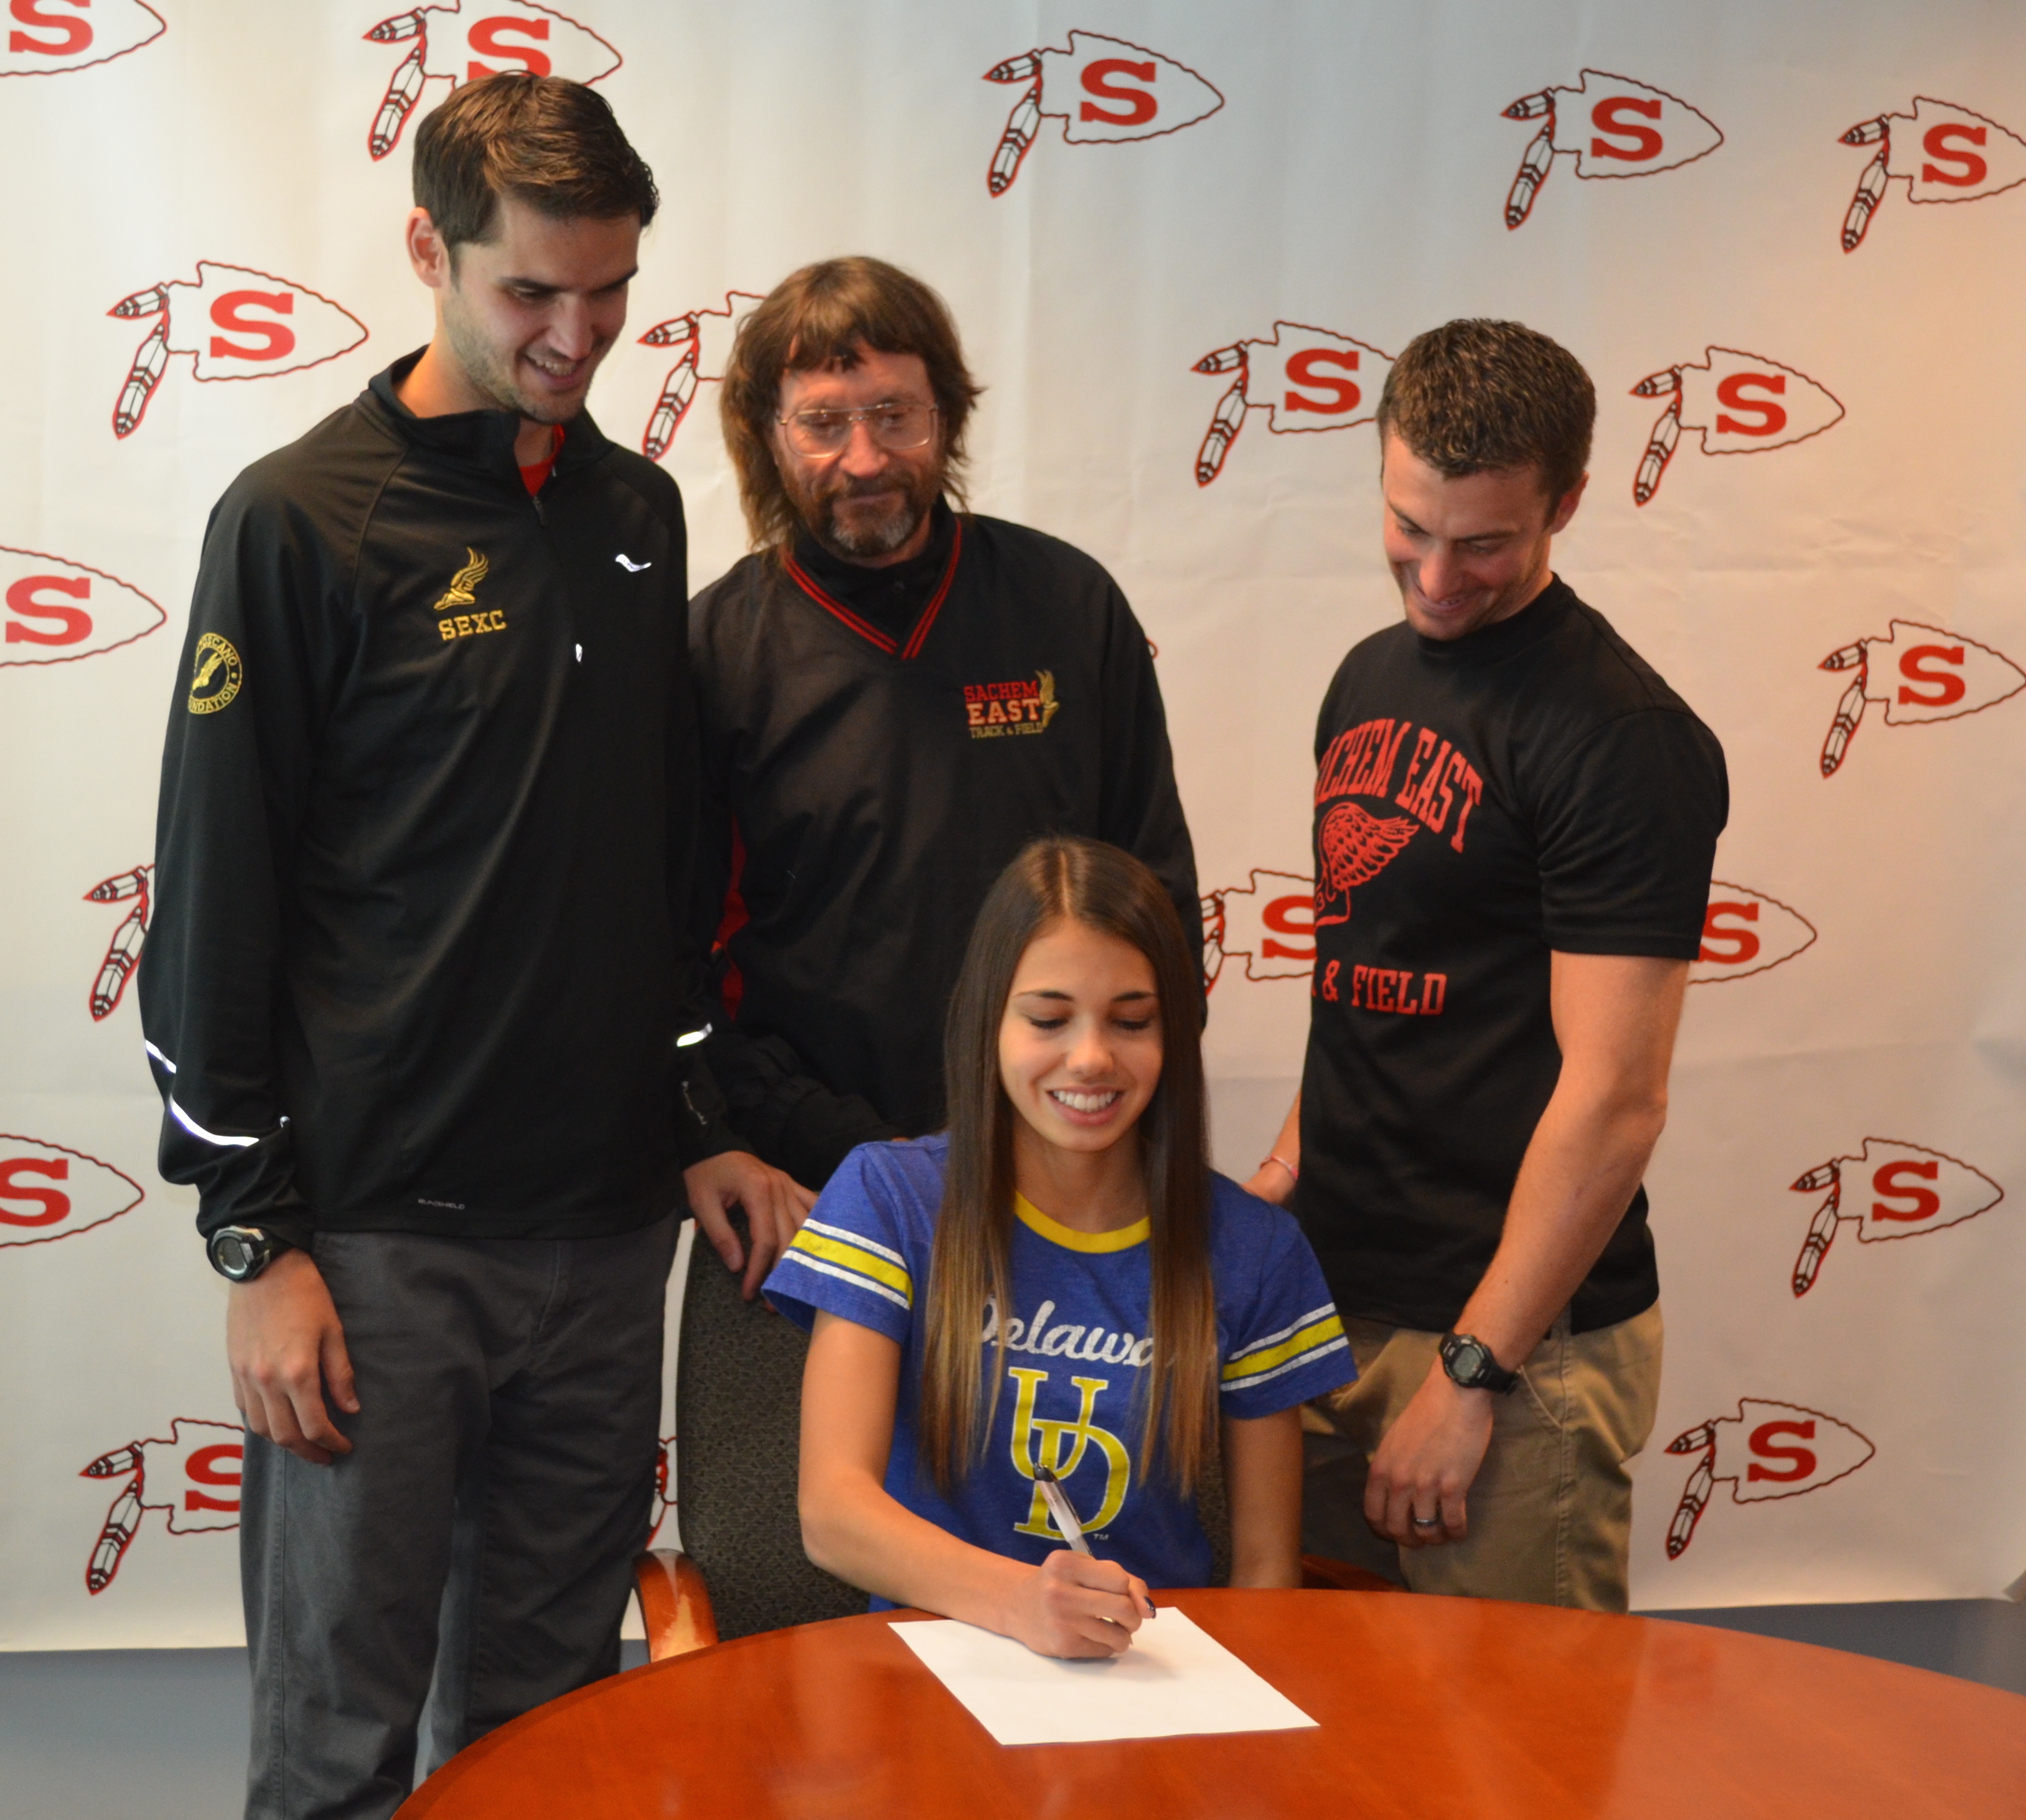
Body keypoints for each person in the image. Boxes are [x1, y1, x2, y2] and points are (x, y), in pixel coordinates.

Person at [138, 75, 807, 1820]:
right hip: (377, 1254)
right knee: (336, 1753)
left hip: (605, 1243)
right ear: (428, 250)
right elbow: (210, 900)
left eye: (612, 290)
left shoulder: (640, 514)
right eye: (532, 293)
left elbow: (659, 872)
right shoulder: (297, 519)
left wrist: (695, 1119)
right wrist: (252, 1237)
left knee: (544, 1747)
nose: (578, 335)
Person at [1246, 319, 1727, 1611]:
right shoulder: (1365, 678)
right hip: (1329, 1301)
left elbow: (1616, 1097)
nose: (1438, 574)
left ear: (1565, 504)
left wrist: (1471, 1375)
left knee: (1509, 1729)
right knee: (1318, 1708)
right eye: (1410, 527)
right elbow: (1367, 969)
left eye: (1484, 544)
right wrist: (1279, 1181)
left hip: (1509, 1348)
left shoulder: (1619, 738)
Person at [764, 838, 1352, 1657]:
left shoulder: (1256, 1249)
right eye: (1048, 1019)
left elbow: (1266, 1571)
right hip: (924, 1676)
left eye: (1132, 1021)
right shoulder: (889, 1198)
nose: (1091, 1057)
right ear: (988, 1021)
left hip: (1153, 1677)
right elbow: (833, 1514)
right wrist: (1023, 1603)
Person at [689, 257, 1199, 1190]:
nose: (865, 459)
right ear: (768, 435)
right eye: (823, 424)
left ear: (948, 415)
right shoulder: (715, 650)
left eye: (896, 415)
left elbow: (1156, 901)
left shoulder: (1068, 605)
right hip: (810, 1178)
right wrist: (815, 1136)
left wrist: (1096, 1109)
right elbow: (677, 957)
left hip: (1060, 1158)